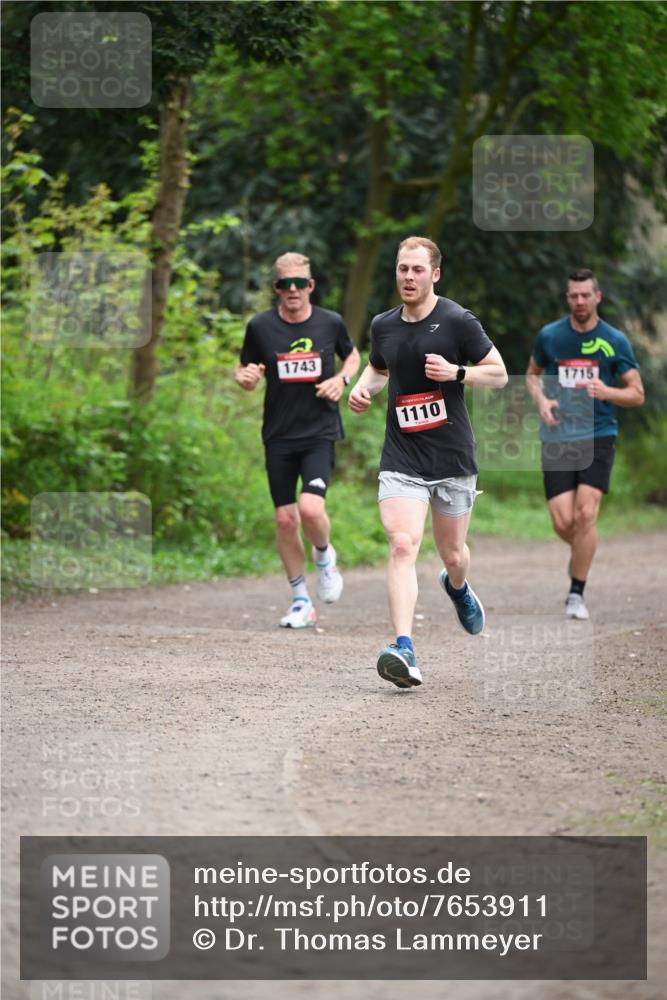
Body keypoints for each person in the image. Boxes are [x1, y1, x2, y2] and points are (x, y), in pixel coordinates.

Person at [348, 236, 507, 688]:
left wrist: (458, 373)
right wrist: (364, 389)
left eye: (417, 270)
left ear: (434, 274)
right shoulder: (384, 325)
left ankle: (457, 586)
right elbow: (379, 368)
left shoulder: (457, 321)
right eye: (402, 269)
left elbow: (497, 373)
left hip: (452, 457)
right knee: (402, 543)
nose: (409, 277)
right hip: (402, 457)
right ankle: (403, 647)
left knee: (453, 554)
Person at [235, 252, 360, 628]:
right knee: (285, 519)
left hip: (319, 431)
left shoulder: (329, 322)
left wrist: (341, 380)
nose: (293, 290)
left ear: (311, 286)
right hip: (278, 434)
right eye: (285, 284)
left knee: (310, 509)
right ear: (276, 288)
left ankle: (324, 557)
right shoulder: (260, 327)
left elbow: (352, 357)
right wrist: (244, 378)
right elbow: (245, 367)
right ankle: (301, 599)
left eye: (300, 283)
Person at [525, 268, 644, 620]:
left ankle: (576, 592)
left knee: (585, 514)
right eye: (573, 295)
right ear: (568, 298)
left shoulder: (614, 340)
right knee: (564, 523)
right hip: (558, 436)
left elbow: (637, 393)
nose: (579, 301)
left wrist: (608, 392)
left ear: (597, 297)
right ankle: (585, 550)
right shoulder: (550, 336)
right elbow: (532, 375)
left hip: (598, 433)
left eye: (585, 295)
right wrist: (542, 401)